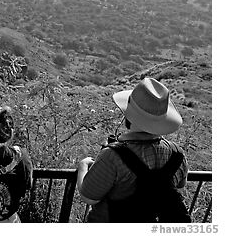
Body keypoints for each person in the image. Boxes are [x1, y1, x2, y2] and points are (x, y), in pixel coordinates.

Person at [76, 77, 189, 222]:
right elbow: (179, 186)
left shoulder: (112, 155)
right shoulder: (177, 154)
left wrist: (83, 166)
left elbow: (89, 197)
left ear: (127, 114)